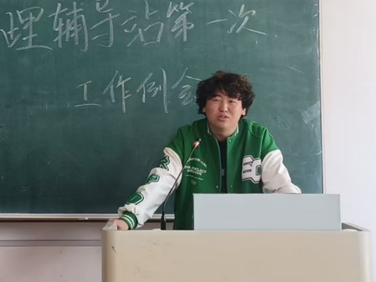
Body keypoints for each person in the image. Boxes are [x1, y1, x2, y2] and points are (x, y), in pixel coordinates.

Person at [111, 70, 300, 231]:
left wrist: (300, 213)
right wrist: (130, 217)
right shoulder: (187, 138)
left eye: (232, 101)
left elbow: (281, 185)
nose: (224, 108)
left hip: (246, 240)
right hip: (193, 239)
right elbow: (161, 180)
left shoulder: (258, 138)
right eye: (216, 99)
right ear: (204, 106)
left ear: (244, 109)